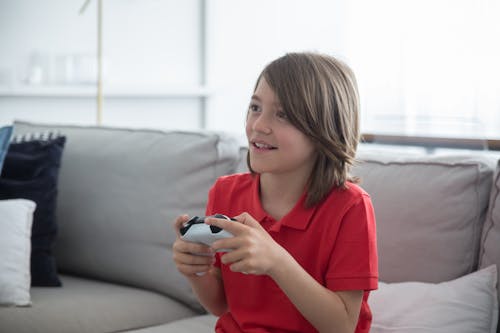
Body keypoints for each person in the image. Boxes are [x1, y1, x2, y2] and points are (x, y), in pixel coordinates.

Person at [172, 52, 378, 333]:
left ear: (324, 129)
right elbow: (222, 305)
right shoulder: (225, 192)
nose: (259, 125)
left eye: (282, 114)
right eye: (255, 107)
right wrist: (196, 271)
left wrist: (276, 261)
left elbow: (341, 325)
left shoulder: (351, 206)